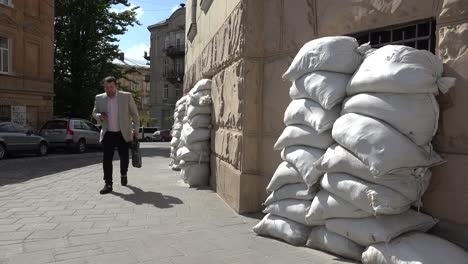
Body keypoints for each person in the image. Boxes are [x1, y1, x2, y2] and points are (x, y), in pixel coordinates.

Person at [92, 76, 140, 194]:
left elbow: (135, 114)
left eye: (111, 87)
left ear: (116, 86)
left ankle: (123, 173)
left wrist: (136, 129)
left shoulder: (126, 96)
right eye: (106, 87)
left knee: (124, 157)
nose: (109, 89)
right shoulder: (99, 98)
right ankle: (108, 184)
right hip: (108, 133)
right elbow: (94, 113)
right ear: (104, 87)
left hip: (123, 133)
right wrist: (99, 116)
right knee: (107, 159)